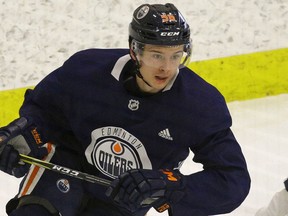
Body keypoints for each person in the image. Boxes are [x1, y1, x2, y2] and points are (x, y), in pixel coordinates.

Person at [0, 3, 250, 216]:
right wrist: (24, 138)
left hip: (124, 198)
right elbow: (44, 111)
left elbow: (233, 180)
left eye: (176, 56)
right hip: (64, 169)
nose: (166, 67)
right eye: (156, 55)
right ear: (135, 50)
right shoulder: (85, 71)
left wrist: (171, 185)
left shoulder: (199, 103)